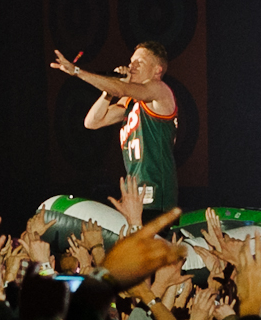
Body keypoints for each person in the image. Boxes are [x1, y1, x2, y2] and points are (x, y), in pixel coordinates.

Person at [51, 42, 178, 221]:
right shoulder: (131, 102)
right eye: (131, 61)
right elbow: (92, 122)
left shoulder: (159, 90)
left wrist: (77, 71)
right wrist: (108, 92)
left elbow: (120, 89)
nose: (131, 66)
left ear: (157, 70)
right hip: (134, 195)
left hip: (156, 196)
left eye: (139, 62)